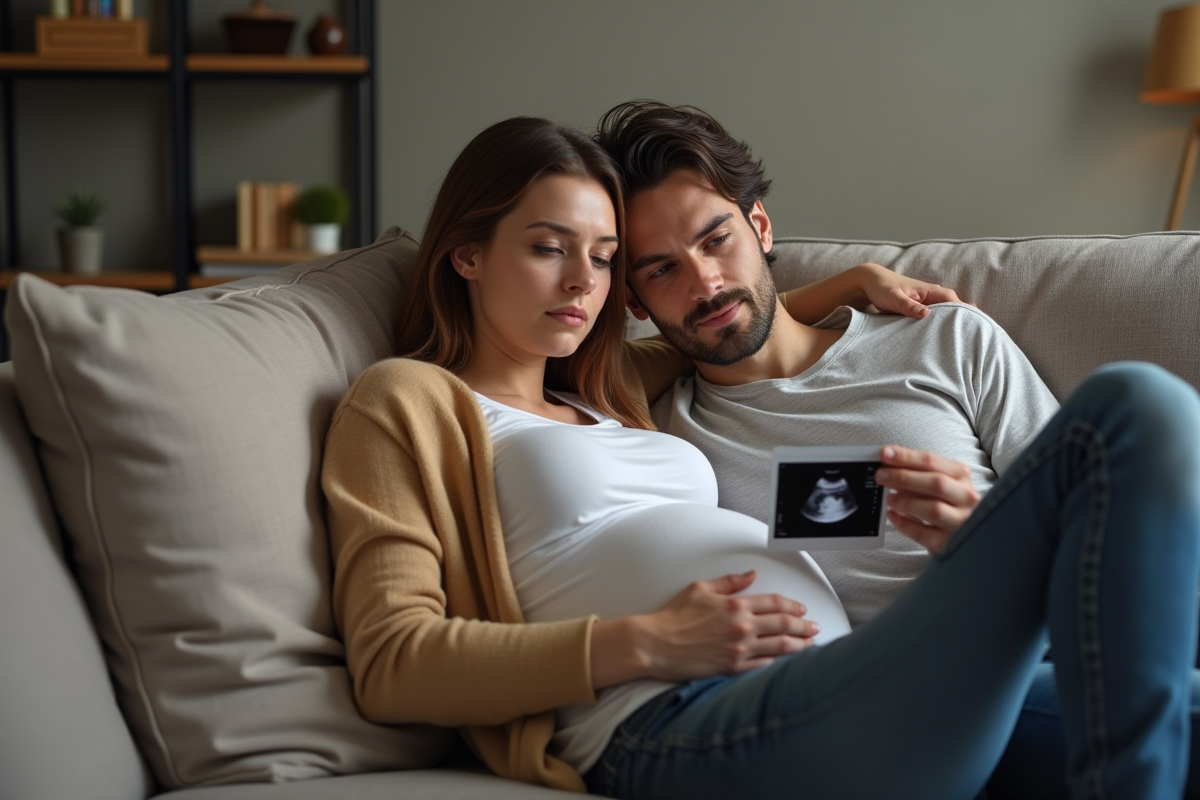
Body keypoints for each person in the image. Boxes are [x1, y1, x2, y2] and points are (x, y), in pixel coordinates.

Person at [320, 114, 1200, 800]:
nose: (583, 284)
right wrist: (644, 644)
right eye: (549, 250)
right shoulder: (407, 399)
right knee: (1134, 406)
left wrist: (854, 284)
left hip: (846, 685)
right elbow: (394, 663)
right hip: (680, 714)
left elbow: (732, 323)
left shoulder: (611, 387)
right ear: (467, 253)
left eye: (601, 258)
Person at [593, 99, 1200, 798]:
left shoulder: (943, 338)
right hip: (874, 705)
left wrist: (992, 536)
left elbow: (1106, 526)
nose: (705, 283)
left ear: (761, 226)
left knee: (1139, 404)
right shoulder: (659, 433)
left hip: (1043, 655)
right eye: (662, 270)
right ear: (635, 302)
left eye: (715, 239)